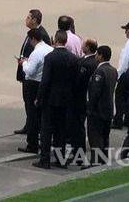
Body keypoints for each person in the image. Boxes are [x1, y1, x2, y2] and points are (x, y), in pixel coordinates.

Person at [34, 30, 79, 169]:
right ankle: (60, 160)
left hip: (50, 99)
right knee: (61, 130)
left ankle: (45, 160)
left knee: (46, 129)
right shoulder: (73, 58)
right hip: (66, 99)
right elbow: (75, 81)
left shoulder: (50, 57)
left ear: (55, 40)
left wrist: (39, 97)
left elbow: (45, 80)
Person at [15, 10, 50, 141]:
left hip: (34, 76)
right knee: (27, 103)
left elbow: (42, 59)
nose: (26, 19)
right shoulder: (32, 33)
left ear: (35, 20)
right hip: (27, 73)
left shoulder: (42, 36)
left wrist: (25, 64)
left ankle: (34, 130)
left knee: (32, 105)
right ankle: (29, 125)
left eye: (29, 17)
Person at [18, 29, 53, 155]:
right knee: (42, 115)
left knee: (32, 114)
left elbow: (30, 71)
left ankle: (32, 143)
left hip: (33, 84)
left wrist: (24, 63)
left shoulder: (36, 52)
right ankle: (42, 141)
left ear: (33, 39)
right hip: (45, 83)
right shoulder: (49, 49)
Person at [85, 46, 117, 167]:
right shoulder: (113, 70)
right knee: (105, 137)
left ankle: (96, 162)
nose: (96, 57)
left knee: (95, 138)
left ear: (101, 56)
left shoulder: (100, 71)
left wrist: (90, 108)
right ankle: (103, 161)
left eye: (97, 54)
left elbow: (95, 93)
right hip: (108, 109)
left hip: (98, 111)